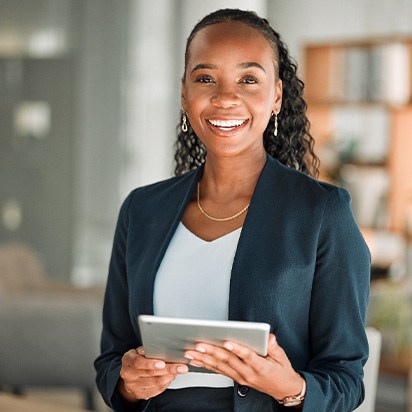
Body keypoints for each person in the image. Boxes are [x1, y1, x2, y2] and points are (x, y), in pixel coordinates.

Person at [94, 8, 370, 412]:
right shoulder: (142, 209)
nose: (225, 98)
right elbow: (111, 359)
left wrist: (289, 387)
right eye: (205, 78)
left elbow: (345, 380)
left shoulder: (322, 213)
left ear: (276, 96)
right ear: (184, 94)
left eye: (248, 79)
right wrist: (129, 383)